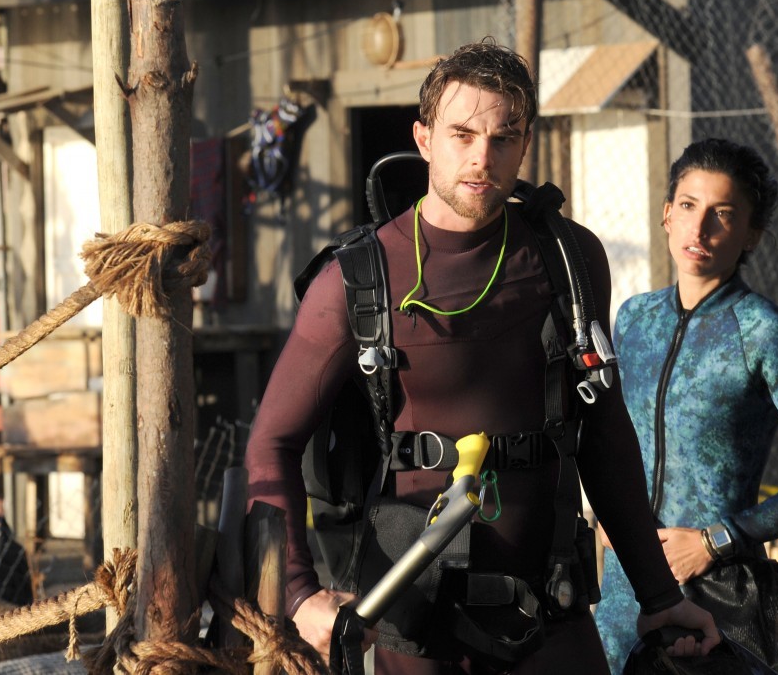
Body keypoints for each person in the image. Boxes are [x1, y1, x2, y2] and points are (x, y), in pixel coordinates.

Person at [244, 40, 719, 673]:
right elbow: (270, 444)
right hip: (412, 624)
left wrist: (659, 596)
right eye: (462, 135)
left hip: (550, 611)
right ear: (423, 138)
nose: (481, 158)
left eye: (503, 138)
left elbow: (604, 434)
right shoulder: (357, 279)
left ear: (525, 145)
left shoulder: (570, 261)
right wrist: (299, 596)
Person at [593, 138, 778, 672]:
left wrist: (715, 541)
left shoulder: (764, 332)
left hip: (719, 597)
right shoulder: (634, 319)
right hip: (625, 593)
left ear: (751, 234)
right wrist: (605, 514)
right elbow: (612, 437)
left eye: (724, 213)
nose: (700, 227)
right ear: (667, 213)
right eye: (689, 205)